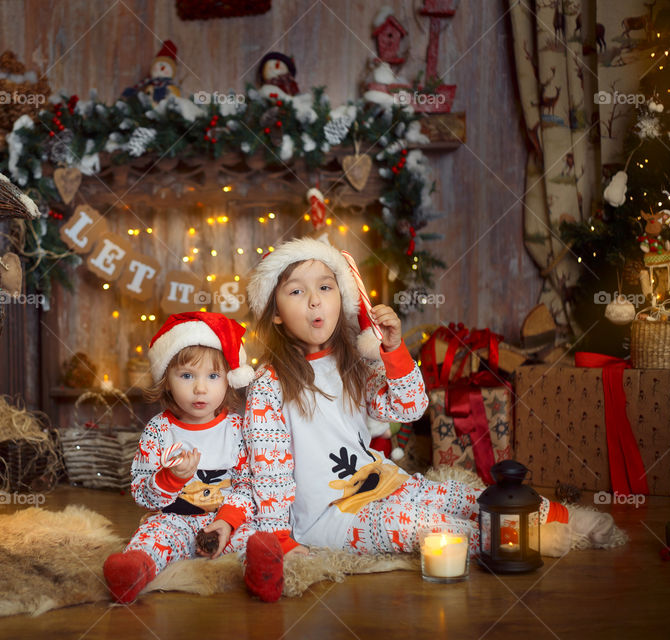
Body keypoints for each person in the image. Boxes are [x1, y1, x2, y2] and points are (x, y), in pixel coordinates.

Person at [239, 237, 621, 602]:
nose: (314, 302)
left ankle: (563, 516)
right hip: (330, 515)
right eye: (295, 292)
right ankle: (517, 540)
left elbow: (409, 408)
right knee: (416, 523)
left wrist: (393, 349)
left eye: (325, 288)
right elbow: (270, 474)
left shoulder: (354, 362)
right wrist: (281, 539)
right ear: (274, 313)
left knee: (466, 496)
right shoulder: (269, 388)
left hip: (383, 481)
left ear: (342, 296)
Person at [103, 312, 258, 603]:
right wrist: (171, 478)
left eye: (213, 376)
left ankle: (263, 572)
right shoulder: (159, 431)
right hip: (175, 519)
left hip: (224, 520)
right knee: (154, 536)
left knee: (252, 539)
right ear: (167, 381)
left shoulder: (237, 429)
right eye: (187, 376)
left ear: (229, 380)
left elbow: (248, 486)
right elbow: (141, 494)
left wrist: (226, 522)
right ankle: (134, 571)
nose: (200, 388)